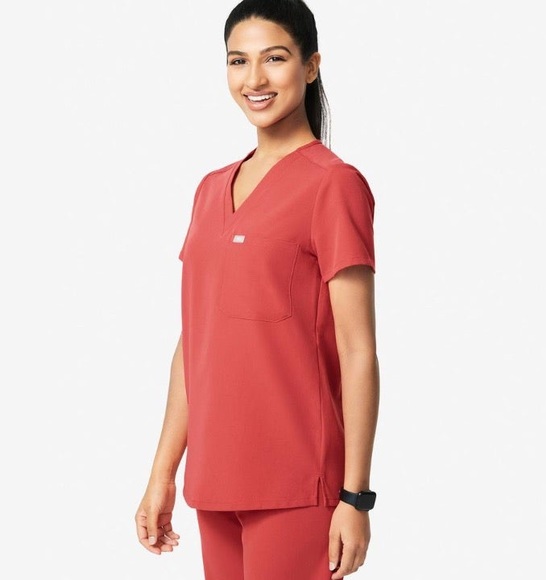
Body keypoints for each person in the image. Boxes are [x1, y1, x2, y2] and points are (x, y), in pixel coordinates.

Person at [134, 1, 380, 578]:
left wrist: (355, 496)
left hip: (297, 481)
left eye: (274, 58)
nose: (254, 79)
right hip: (214, 481)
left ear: (310, 66)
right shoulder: (209, 189)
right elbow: (195, 340)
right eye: (237, 61)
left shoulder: (334, 185)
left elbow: (358, 351)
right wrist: (163, 473)